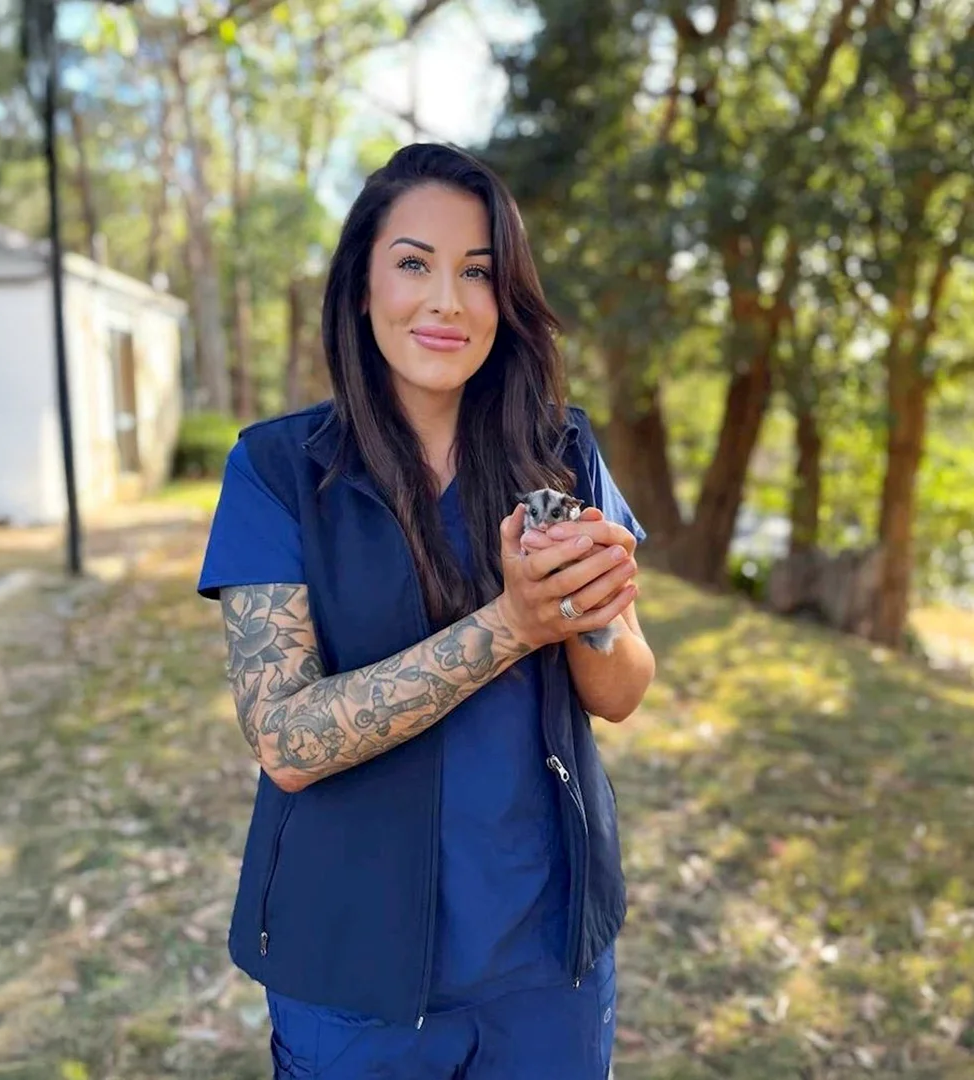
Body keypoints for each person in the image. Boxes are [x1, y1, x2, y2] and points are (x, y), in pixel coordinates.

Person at [198, 142, 655, 1080]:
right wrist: (512, 626)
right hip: (354, 971)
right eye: (414, 263)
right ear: (361, 289)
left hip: (546, 961)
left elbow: (620, 690)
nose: (447, 300)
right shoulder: (276, 472)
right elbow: (285, 738)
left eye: (478, 272)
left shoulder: (560, 454)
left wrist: (597, 610)